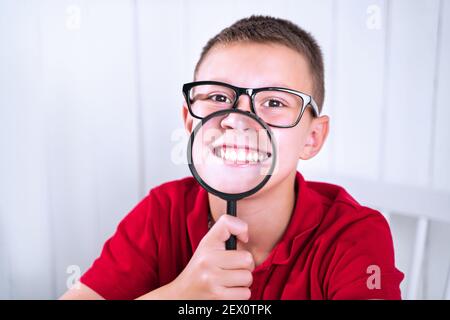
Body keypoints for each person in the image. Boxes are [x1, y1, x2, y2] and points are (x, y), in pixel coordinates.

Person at [61, 15, 404, 300]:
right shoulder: (162, 213)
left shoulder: (354, 236)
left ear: (312, 138)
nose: (238, 119)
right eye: (217, 96)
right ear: (189, 121)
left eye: (274, 102)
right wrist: (178, 294)